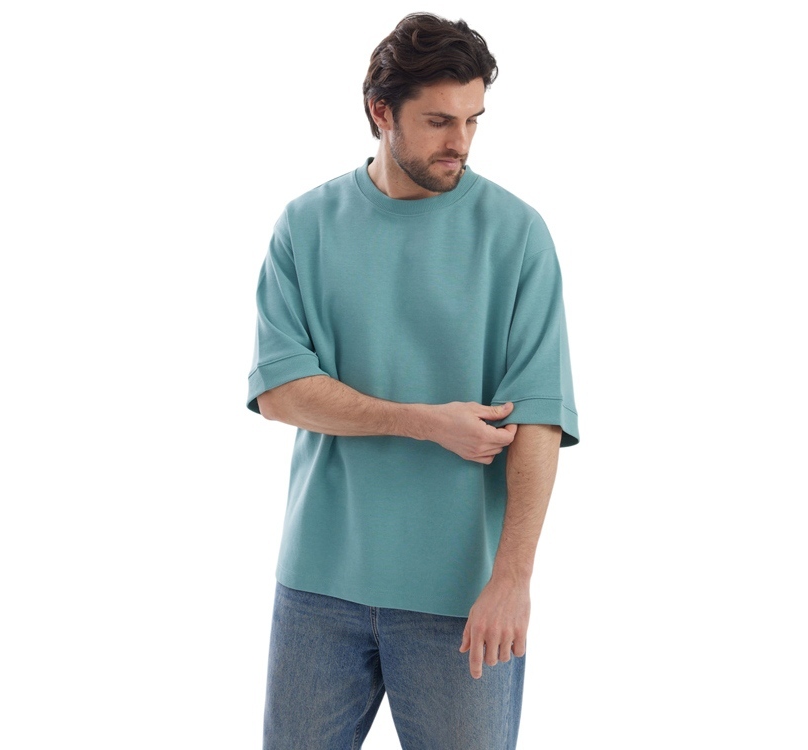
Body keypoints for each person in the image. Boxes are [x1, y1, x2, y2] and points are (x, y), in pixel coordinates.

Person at [246, 12, 578, 749]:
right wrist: (426, 422)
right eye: (438, 121)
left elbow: (541, 419)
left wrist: (512, 580)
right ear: (381, 112)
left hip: (461, 597)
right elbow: (280, 392)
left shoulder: (517, 235)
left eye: (473, 119)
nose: (460, 141)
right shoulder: (305, 226)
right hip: (318, 584)